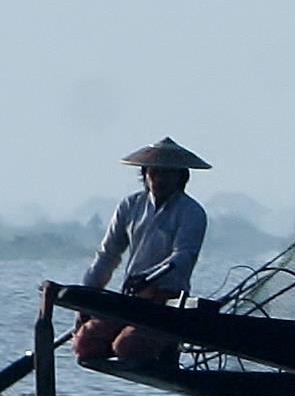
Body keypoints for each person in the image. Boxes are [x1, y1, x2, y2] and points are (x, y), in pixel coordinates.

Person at [56, 138, 212, 366]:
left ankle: (165, 346)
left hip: (167, 301)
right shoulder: (130, 205)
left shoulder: (191, 211)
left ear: (181, 177)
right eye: (155, 172)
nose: (160, 179)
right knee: (84, 345)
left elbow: (183, 256)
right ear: (145, 174)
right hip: (131, 300)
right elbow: (107, 255)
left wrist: (148, 278)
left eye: (168, 174)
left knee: (127, 346)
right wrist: (87, 298)